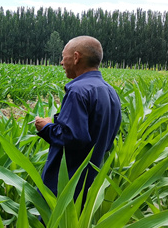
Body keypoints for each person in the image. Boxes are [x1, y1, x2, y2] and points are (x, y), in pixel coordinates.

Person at [34, 35, 122, 201]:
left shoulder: (78, 90)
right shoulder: (110, 91)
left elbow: (72, 138)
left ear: (75, 58)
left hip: (67, 184)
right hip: (91, 182)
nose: (61, 62)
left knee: (53, 225)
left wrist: (46, 128)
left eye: (63, 57)